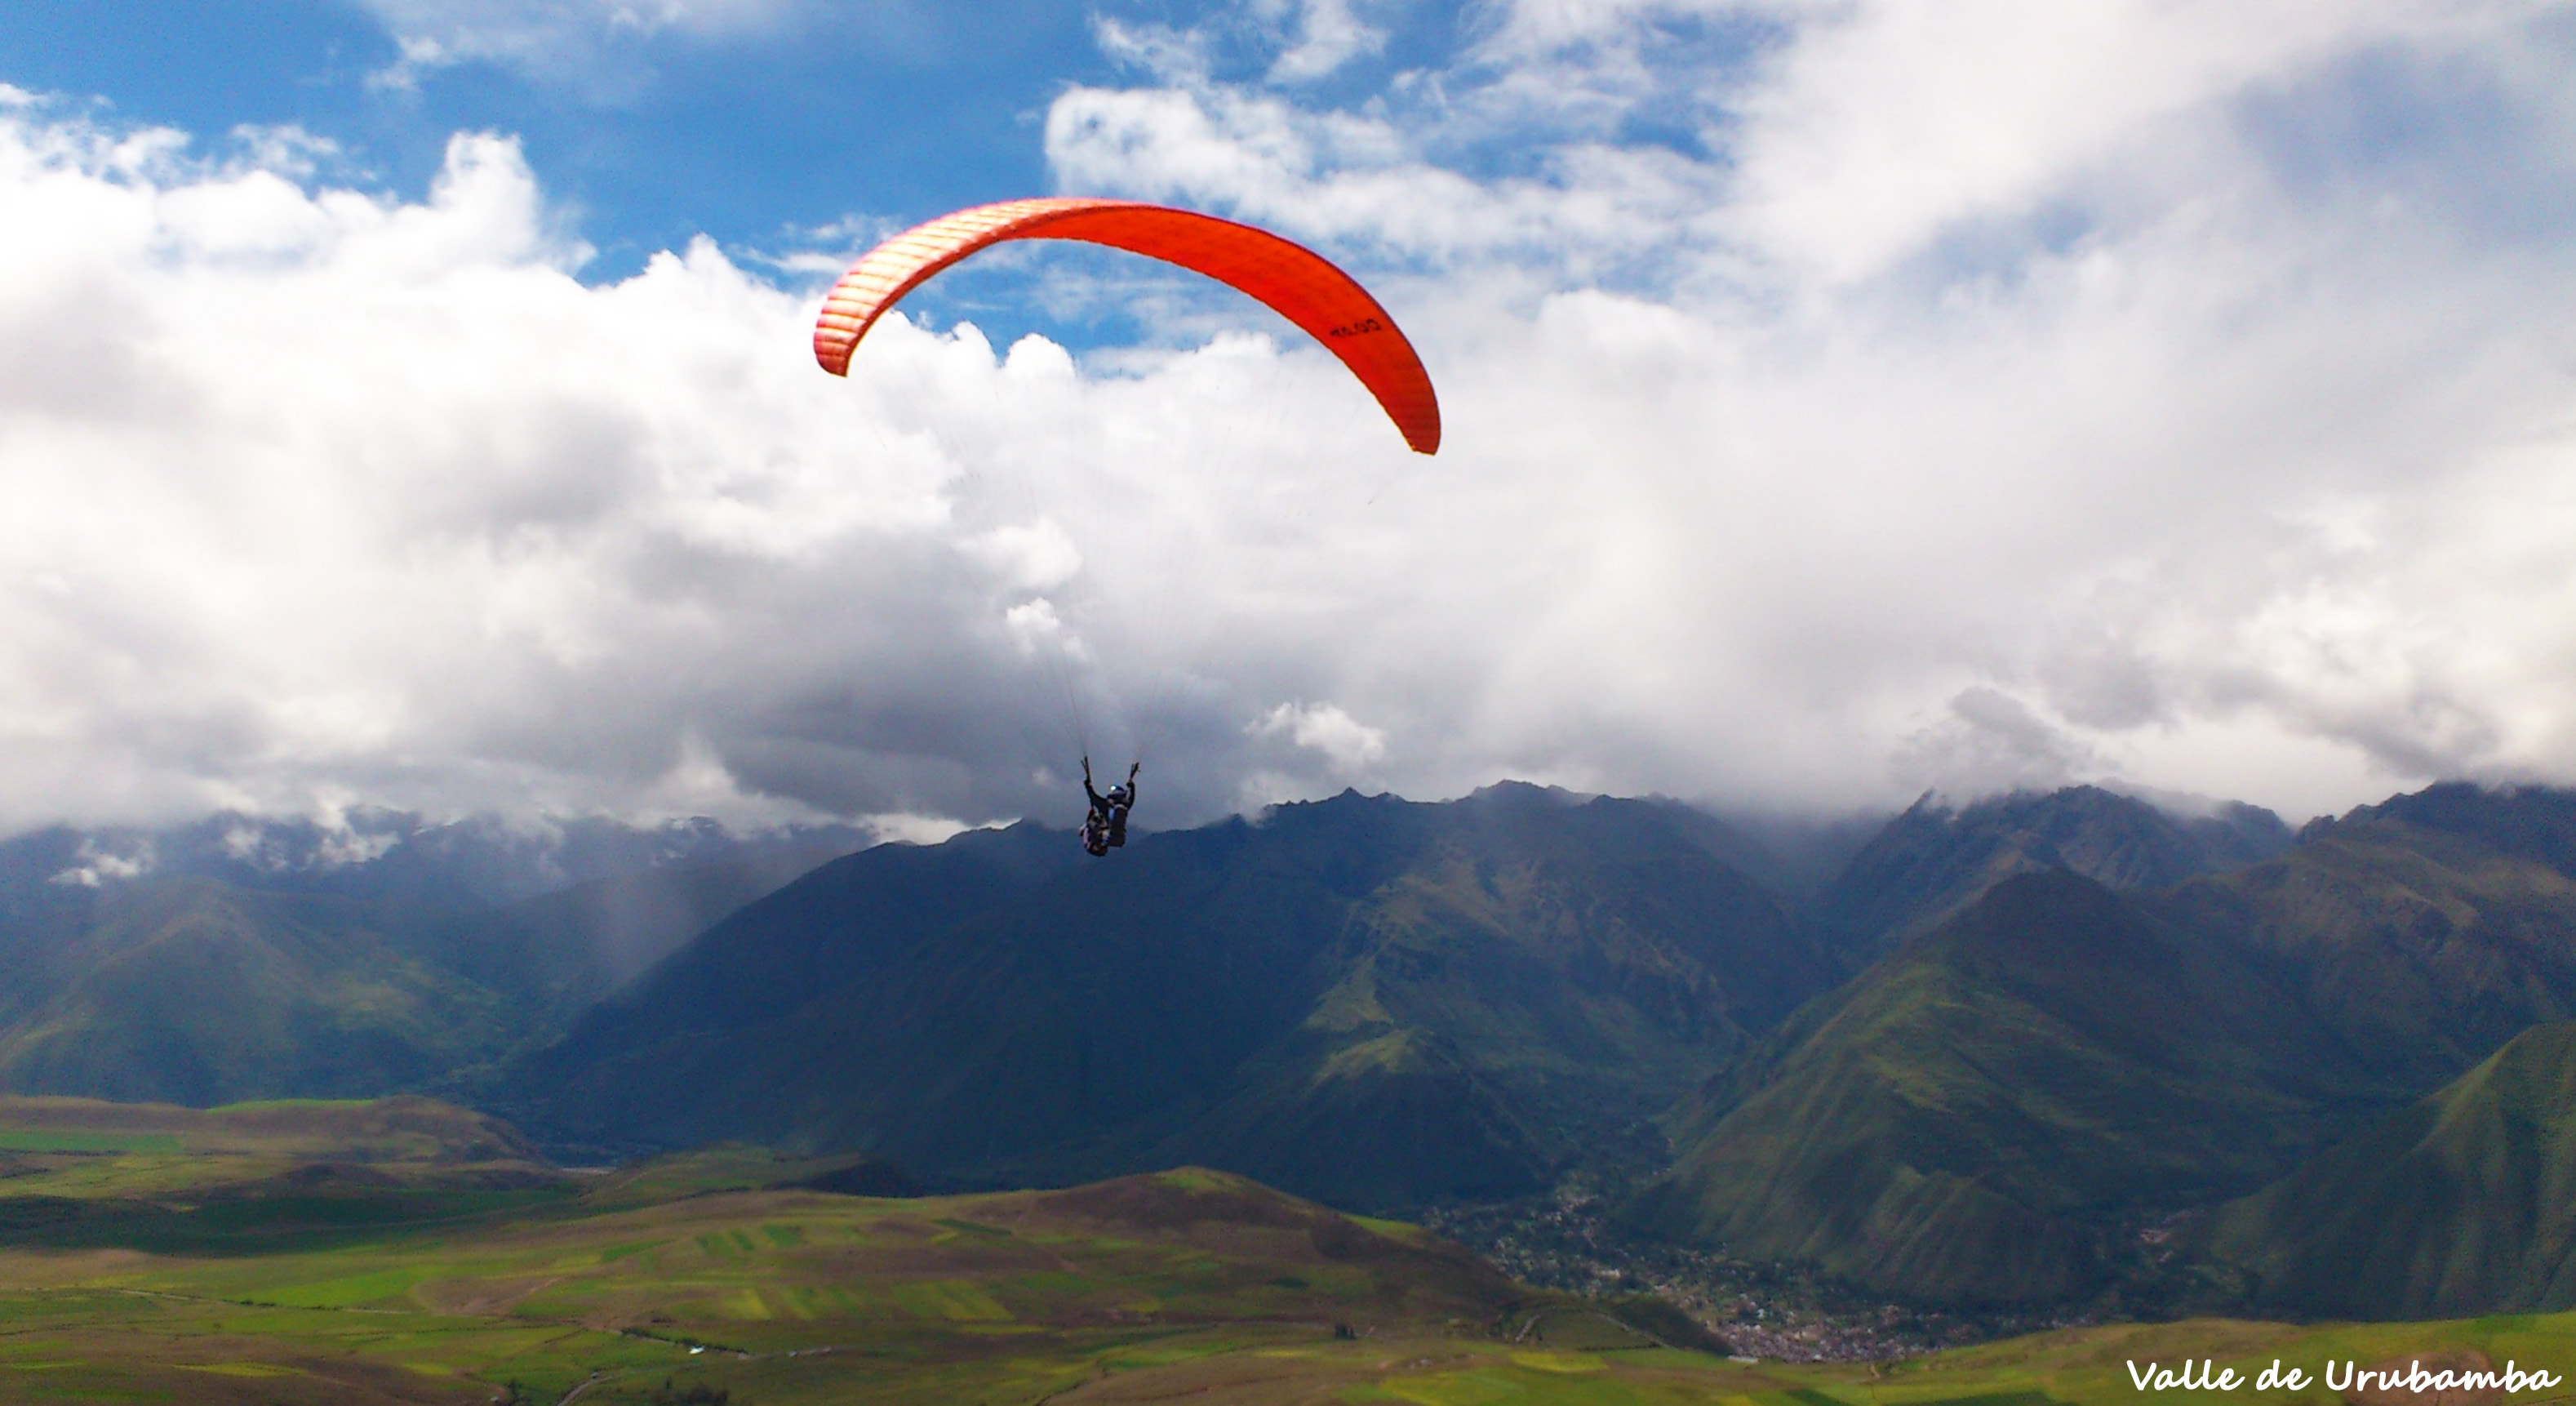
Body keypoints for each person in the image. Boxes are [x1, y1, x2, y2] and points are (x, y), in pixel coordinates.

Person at [1081, 757, 1139, 856]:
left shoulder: (1106, 805)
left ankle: (1100, 842)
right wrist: (1132, 787)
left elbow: (1093, 797)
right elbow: (1131, 799)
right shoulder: (1124, 805)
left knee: (1093, 825)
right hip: (1117, 838)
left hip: (1111, 837)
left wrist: (1088, 786)